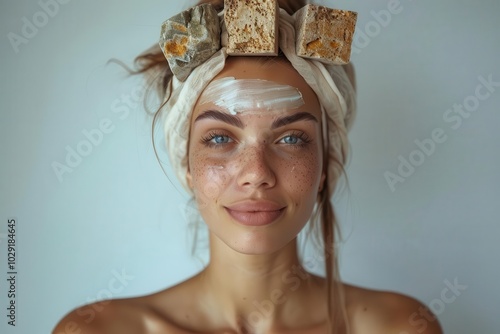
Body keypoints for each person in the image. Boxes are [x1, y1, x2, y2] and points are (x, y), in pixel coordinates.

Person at [53, 0, 443, 333]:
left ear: (326, 163)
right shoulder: (95, 329)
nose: (256, 172)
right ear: (187, 165)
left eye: (291, 138)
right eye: (220, 138)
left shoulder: (400, 326)